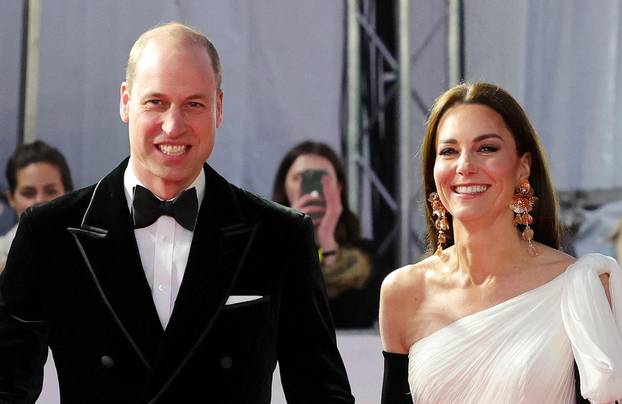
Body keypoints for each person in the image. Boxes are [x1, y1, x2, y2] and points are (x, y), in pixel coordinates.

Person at [0, 22, 353, 403]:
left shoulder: (279, 235)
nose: (173, 125)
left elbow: (322, 392)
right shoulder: (51, 232)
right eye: (156, 102)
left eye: (193, 104)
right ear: (125, 101)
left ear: (218, 107)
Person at [379, 82, 622, 403]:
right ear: (433, 169)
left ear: (523, 166)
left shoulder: (579, 285)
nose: (465, 166)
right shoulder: (403, 293)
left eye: (487, 148)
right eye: (449, 151)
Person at [272, 141, 377, 328]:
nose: (313, 189)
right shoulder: (262, 250)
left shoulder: (365, 255)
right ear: (285, 186)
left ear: (339, 187)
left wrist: (328, 242)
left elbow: (357, 317)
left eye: (323, 179)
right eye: (300, 178)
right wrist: (295, 233)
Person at [0, 140, 73, 272]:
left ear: (68, 194)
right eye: (28, 193)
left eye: (51, 191)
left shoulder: (93, 252)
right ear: (11, 198)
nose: (40, 201)